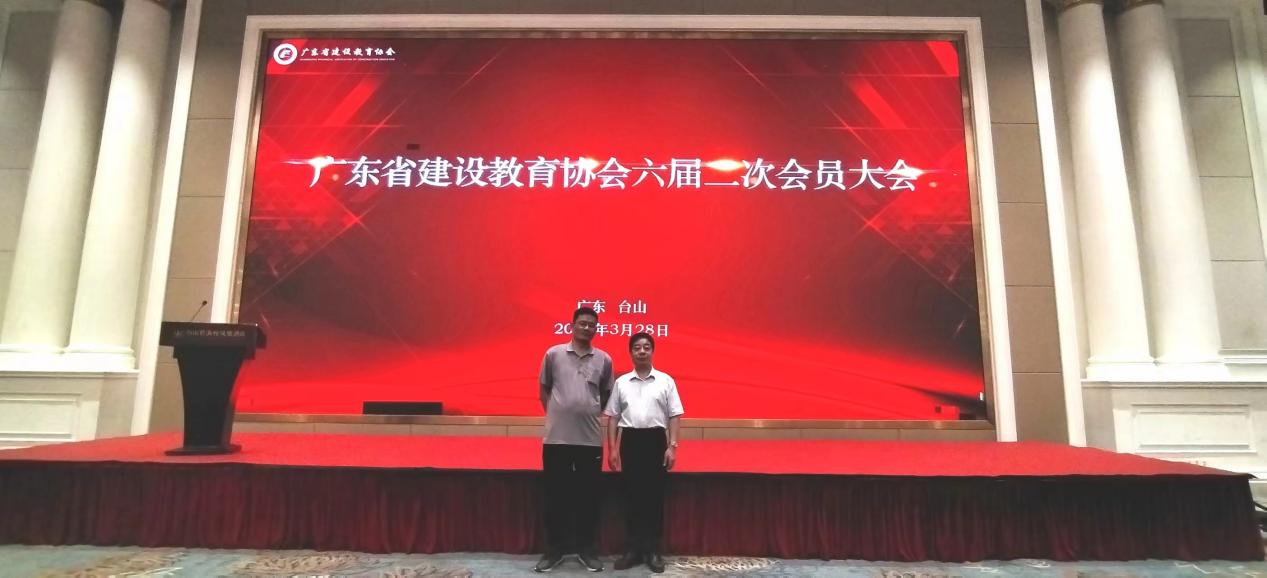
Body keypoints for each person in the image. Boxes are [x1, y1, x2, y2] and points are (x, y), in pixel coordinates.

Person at [534, 306, 614, 573]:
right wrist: (559, 414)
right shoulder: (553, 354)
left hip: (590, 441)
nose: (587, 328)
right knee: (555, 496)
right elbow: (544, 390)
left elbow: (606, 396)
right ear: (572, 325)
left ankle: (586, 549)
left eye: (592, 324)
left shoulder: (604, 359)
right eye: (583, 323)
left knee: (588, 498)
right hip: (557, 439)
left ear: (596, 329)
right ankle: (554, 550)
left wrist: (585, 411)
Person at [605, 332, 683, 574]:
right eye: (637, 347)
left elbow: (674, 415)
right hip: (630, 441)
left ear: (652, 351)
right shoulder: (621, 383)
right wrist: (613, 448)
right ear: (631, 352)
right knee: (631, 497)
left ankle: (653, 550)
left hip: (655, 442)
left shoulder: (665, 381)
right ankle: (633, 549)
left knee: (654, 498)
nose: (641, 351)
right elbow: (613, 417)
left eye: (646, 347)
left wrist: (672, 446)